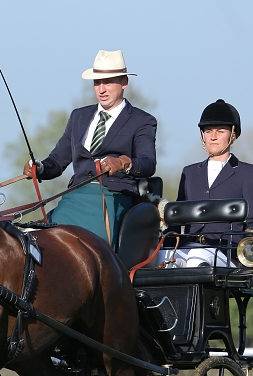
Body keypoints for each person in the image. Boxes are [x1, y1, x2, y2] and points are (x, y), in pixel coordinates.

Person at [23, 50, 157, 246]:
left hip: (114, 197)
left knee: (91, 244)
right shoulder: (79, 117)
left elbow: (147, 163)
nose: (101, 89)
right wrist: (40, 167)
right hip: (75, 196)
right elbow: (57, 162)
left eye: (108, 82)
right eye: (97, 83)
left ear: (124, 82)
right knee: (39, 240)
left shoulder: (142, 120)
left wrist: (122, 163)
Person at [161, 99, 253, 268]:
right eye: (208, 131)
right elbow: (178, 217)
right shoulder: (189, 173)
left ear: (233, 134)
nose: (213, 137)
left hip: (228, 252)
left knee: (197, 256)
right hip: (189, 245)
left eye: (220, 131)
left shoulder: (248, 173)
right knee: (160, 258)